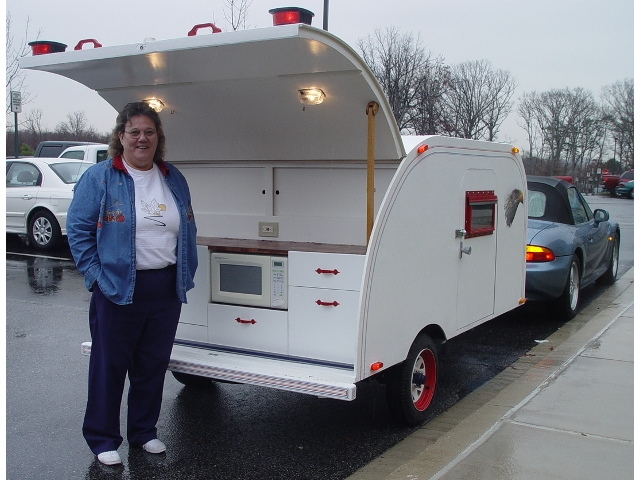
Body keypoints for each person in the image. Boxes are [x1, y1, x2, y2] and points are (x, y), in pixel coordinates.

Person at [67, 101, 198, 466]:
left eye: (149, 132)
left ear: (159, 138)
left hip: (165, 287)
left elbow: (186, 224)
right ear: (120, 136)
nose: (142, 139)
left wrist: (186, 272)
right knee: (110, 366)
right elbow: (77, 232)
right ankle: (103, 438)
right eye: (134, 132)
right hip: (118, 287)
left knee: (152, 365)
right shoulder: (100, 177)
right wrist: (96, 278)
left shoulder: (172, 177)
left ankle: (144, 432)